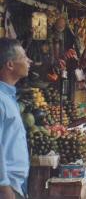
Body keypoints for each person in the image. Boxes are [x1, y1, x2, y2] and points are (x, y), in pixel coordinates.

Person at [0, 38, 32, 199]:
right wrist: (4, 186)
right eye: (24, 57)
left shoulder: (8, 97)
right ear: (10, 64)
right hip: (7, 188)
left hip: (16, 186)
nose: (29, 61)